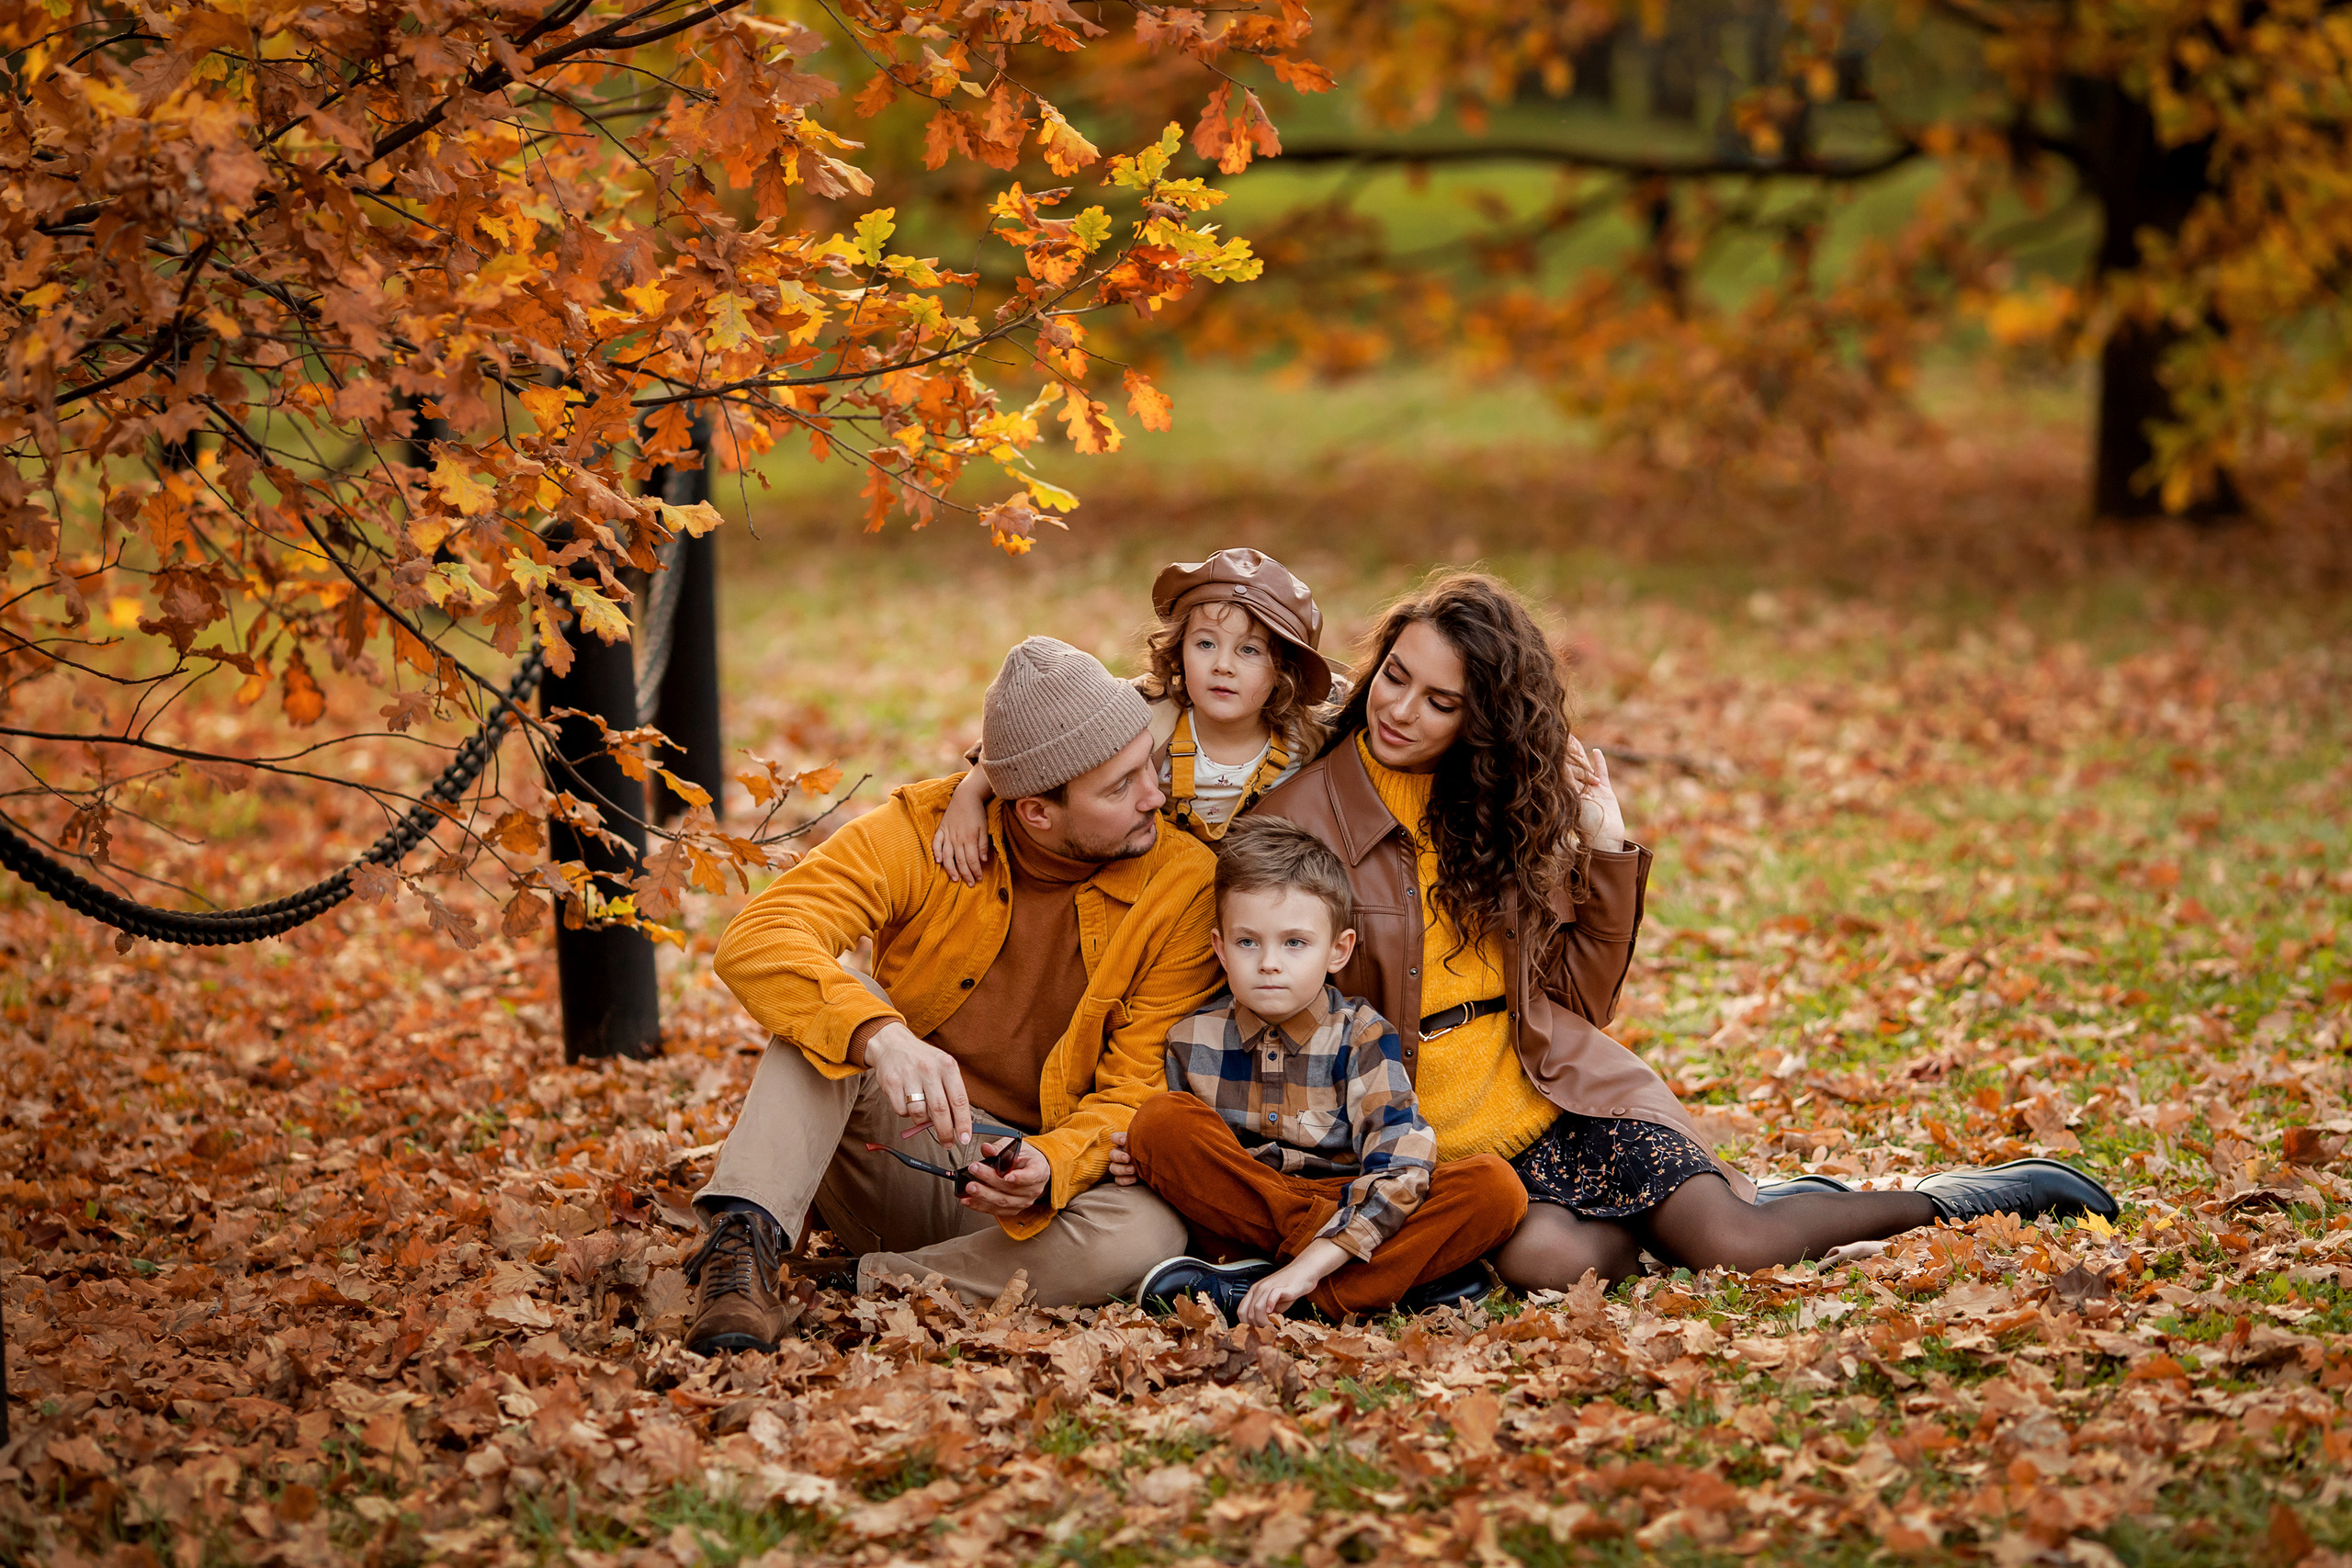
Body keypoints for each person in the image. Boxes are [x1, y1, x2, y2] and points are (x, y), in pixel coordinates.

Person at [1256, 571, 2117, 1292]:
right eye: (1395, 677)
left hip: (1556, 1100)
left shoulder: (1487, 810)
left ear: (1476, 722)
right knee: (1550, 1262)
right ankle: (1731, 1203)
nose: (1401, 709)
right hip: (1433, 1145)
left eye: (1440, 701)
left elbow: (1579, 1000)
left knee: (1732, 1245)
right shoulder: (1298, 821)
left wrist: (1604, 846)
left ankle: (1952, 1198)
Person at [683, 637, 1222, 1354]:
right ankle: (740, 1256)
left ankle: (861, 1281)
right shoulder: (921, 831)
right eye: (1119, 787)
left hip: (1025, 1200)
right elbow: (759, 935)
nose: (1154, 795)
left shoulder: (1184, 883)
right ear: (1035, 811)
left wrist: (1054, 1163)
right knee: (837, 1008)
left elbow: (1137, 1086)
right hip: (902, 1143)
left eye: (1147, 765)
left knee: (1147, 1232)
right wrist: (882, 1036)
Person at [1114, 818, 1526, 1325]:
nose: (1269, 963)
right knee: (1159, 1120)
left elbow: (1400, 1162)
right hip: (1247, 1207)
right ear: (1220, 948)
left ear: (1338, 950)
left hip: (1352, 1199)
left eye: (1295, 943)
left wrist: (1314, 1259)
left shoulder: (1361, 1035)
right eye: (1247, 942)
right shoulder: (1189, 1039)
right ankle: (1378, 1281)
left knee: (1494, 1187)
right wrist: (1140, 1158)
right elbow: (1188, 1159)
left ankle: (1283, 1290)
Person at [933, 547, 1337, 879]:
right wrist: (969, 794)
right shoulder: (1149, 705)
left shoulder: (1311, 733)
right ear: (1179, 647)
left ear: (1284, 670)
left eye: (1249, 650)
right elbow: (1039, 740)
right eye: (1205, 644)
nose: (1222, 666)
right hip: (1154, 881)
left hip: (1261, 893)